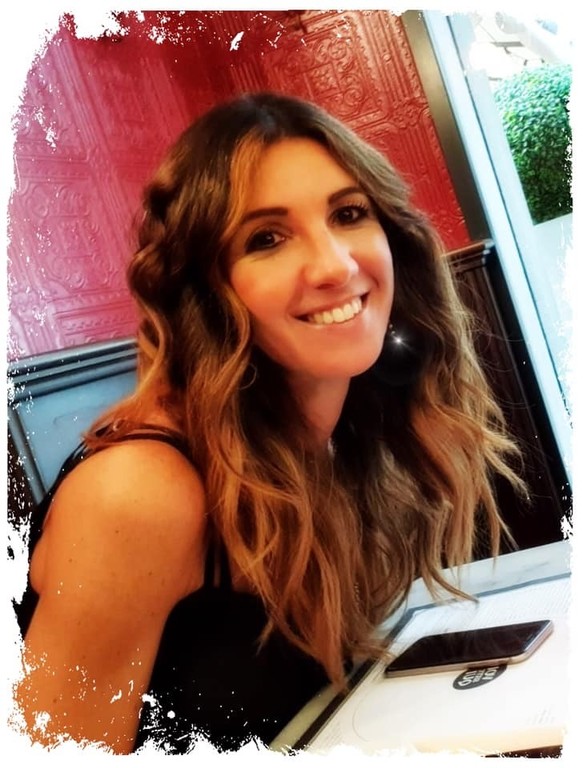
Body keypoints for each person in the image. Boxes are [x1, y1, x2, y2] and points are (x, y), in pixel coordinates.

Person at [13, 91, 525, 755]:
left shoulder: (343, 440)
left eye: (348, 213)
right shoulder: (138, 493)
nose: (335, 265)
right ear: (205, 290)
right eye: (266, 239)